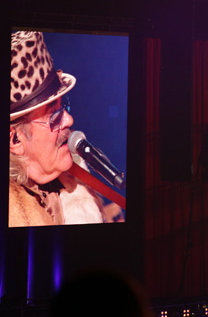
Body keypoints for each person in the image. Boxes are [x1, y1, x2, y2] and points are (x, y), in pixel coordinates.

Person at [9, 31, 123, 227]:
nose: (69, 119)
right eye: (53, 117)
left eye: (64, 107)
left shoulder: (75, 181)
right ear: (15, 140)